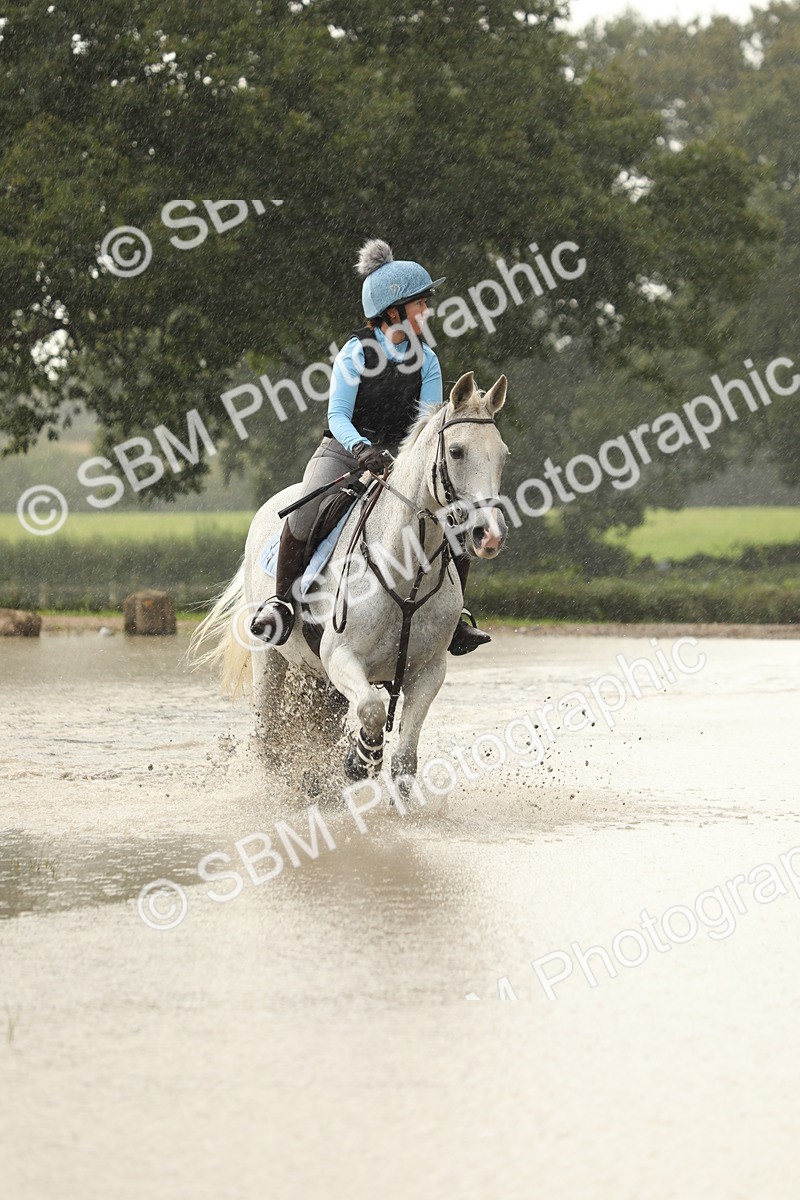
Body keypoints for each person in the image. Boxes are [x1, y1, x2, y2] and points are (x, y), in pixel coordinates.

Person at [250, 238, 490, 655]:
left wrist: (404, 457)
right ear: (393, 311)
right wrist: (362, 449)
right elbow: (337, 415)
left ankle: (455, 618)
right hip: (345, 449)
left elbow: (427, 423)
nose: (428, 311)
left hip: (403, 457)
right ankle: (281, 603)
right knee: (305, 508)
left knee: (455, 516)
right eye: (421, 303)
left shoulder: (427, 360)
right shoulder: (355, 352)